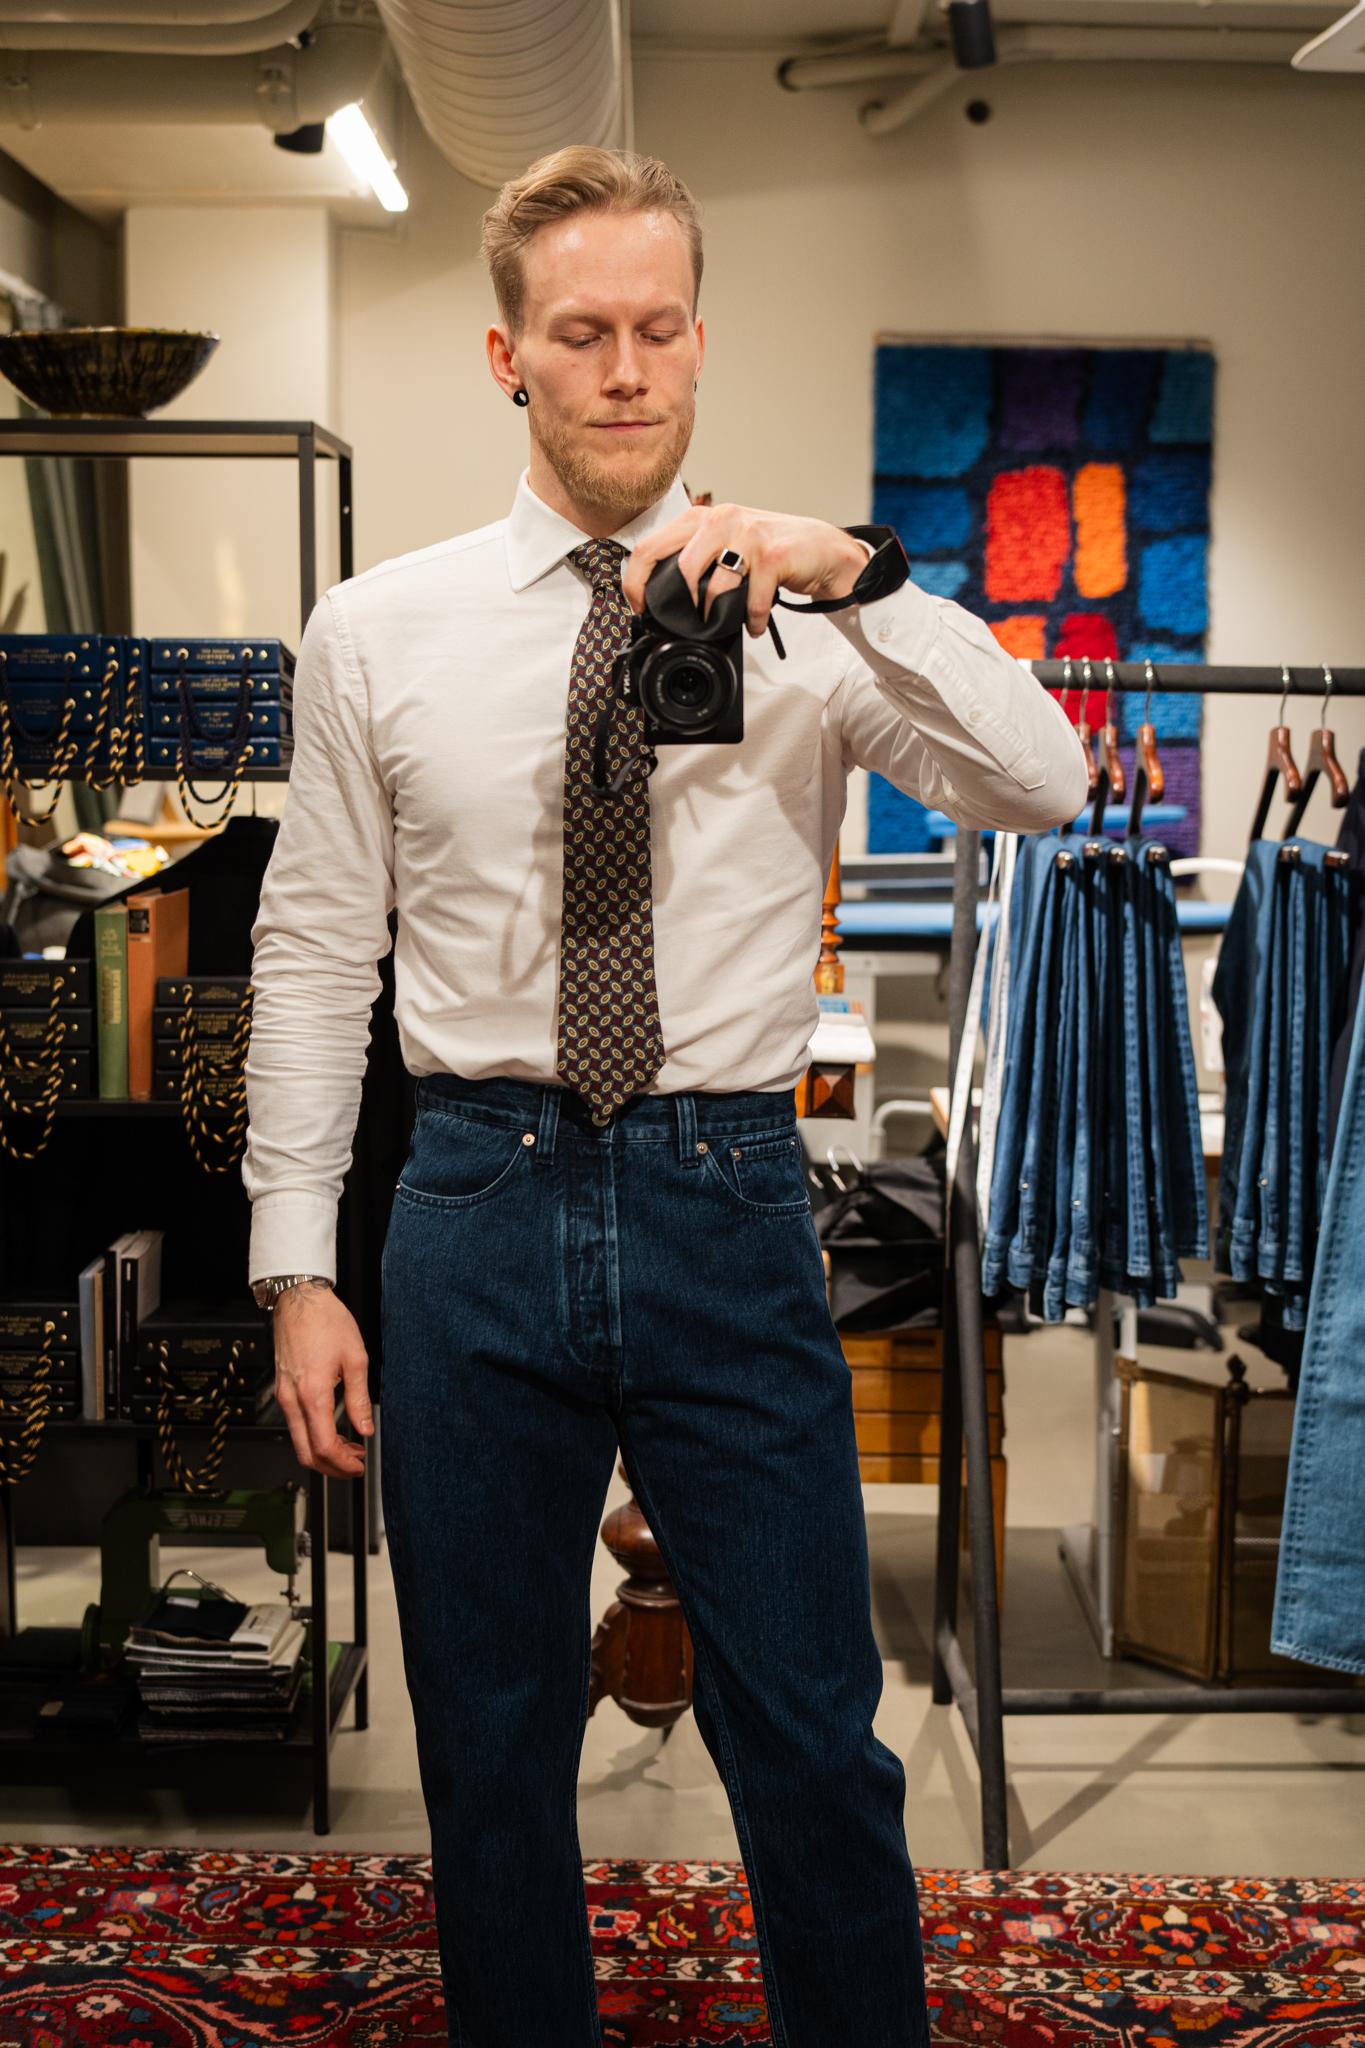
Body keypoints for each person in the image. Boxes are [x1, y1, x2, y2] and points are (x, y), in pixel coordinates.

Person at [242, 145, 1089, 2048]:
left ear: (700, 342)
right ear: (506, 356)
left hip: (725, 1197)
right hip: (469, 1200)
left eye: (654, 330)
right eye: (578, 334)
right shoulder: (377, 630)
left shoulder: (809, 622)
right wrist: (300, 1263)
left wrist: (856, 574)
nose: (622, 369)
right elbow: (310, 958)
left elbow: (1043, 787)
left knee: (809, 1735)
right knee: (488, 1739)